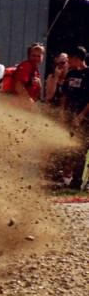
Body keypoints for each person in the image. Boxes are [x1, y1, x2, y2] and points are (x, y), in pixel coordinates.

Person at [62, 46, 89, 189]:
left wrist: (81, 116)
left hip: (84, 117)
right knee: (68, 147)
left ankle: (78, 180)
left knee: (81, 148)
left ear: (77, 59)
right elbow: (65, 94)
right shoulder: (70, 74)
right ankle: (66, 177)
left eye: (70, 59)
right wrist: (62, 112)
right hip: (70, 115)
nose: (68, 62)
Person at [3, 42, 44, 110]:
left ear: (42, 57)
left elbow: (35, 94)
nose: (36, 58)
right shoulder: (26, 66)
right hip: (17, 107)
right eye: (33, 55)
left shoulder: (35, 71)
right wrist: (30, 102)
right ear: (29, 56)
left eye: (39, 56)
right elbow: (18, 86)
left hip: (24, 107)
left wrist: (40, 86)